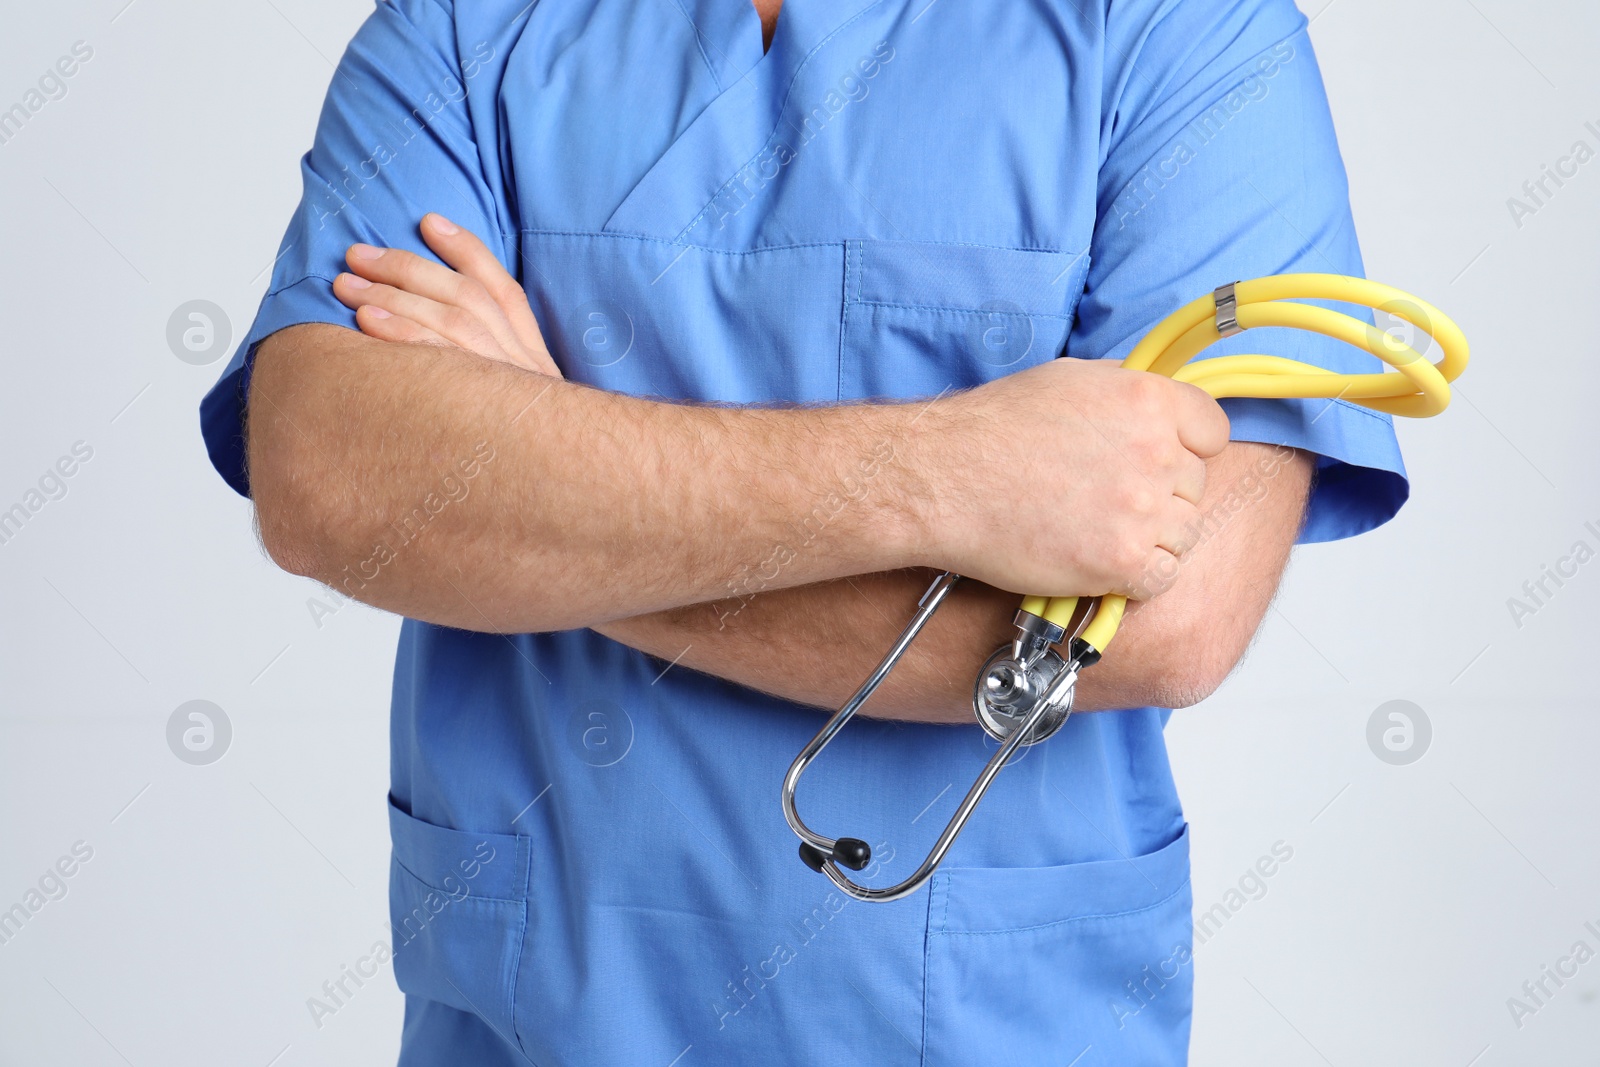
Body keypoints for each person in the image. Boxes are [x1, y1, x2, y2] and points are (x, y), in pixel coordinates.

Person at [199, 0, 1407, 1062]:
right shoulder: (468, 27)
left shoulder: (1178, 30)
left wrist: (538, 505)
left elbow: (1171, 615)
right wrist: (949, 469)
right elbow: (327, 476)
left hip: (1002, 1022)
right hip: (539, 1023)